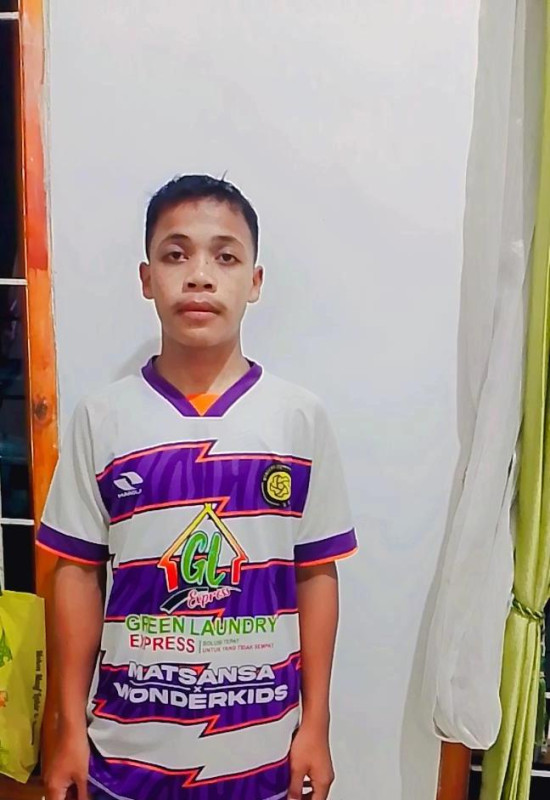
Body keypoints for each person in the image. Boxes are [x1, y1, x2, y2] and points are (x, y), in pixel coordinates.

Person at [38, 175, 358, 800]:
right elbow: (76, 573)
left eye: (225, 256)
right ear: (146, 277)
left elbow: (316, 573)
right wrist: (67, 727)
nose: (200, 276)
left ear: (255, 282)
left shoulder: (298, 419)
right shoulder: (102, 419)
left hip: (262, 750)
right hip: (124, 753)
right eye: (176, 254)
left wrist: (316, 724)